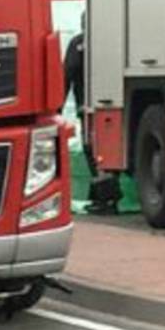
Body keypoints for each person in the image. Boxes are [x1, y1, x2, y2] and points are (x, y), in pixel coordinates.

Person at [63, 23, 119, 213]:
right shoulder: (112, 41)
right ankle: (108, 196)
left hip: (86, 108)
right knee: (110, 149)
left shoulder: (78, 43)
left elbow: (67, 76)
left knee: (92, 150)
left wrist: (56, 110)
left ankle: (105, 199)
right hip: (114, 106)